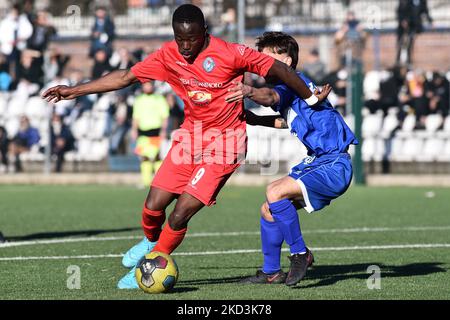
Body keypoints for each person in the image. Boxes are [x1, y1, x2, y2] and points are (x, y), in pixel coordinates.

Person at [42, 4, 331, 289]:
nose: (185, 46)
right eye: (180, 39)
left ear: (204, 32)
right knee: (153, 207)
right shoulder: (168, 55)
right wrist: (74, 90)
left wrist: (310, 98)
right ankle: (150, 241)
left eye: (191, 39)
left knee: (180, 212)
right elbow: (126, 77)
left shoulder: (230, 52)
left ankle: (153, 262)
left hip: (227, 143)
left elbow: (280, 68)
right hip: (190, 138)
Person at [225, 32, 358, 286]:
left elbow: (270, 97)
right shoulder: (295, 90)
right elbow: (288, 121)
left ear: (286, 61)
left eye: (265, 59)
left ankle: (300, 254)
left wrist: (248, 90)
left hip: (333, 164)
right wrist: (256, 120)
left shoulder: (292, 83)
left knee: (274, 191)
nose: (259, 63)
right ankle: (271, 271)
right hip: (320, 162)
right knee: (268, 210)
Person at [132, 81, 170, 187]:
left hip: (156, 131)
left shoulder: (159, 99)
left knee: (157, 157)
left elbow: (165, 116)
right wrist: (134, 130)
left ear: (152, 86)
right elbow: (136, 117)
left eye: (149, 85)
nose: (147, 87)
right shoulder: (139, 100)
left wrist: (163, 130)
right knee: (144, 157)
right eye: (145, 85)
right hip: (143, 133)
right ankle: (146, 182)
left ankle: (159, 181)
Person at [396, 0, 433, 66]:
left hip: (413, 26)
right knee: (400, 44)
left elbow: (424, 11)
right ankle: (398, 61)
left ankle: (409, 61)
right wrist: (403, 20)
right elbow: (400, 11)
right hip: (403, 27)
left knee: (410, 44)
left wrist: (430, 21)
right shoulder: (405, 2)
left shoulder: (422, 1)